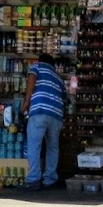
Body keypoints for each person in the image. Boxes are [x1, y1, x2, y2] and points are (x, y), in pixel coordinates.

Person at [23, 51, 66, 191]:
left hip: (40, 111)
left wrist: (27, 101)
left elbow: (32, 78)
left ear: (40, 60)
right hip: (57, 115)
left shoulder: (37, 67)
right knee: (52, 147)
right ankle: (50, 179)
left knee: (34, 145)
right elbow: (65, 98)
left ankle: (33, 179)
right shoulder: (58, 78)